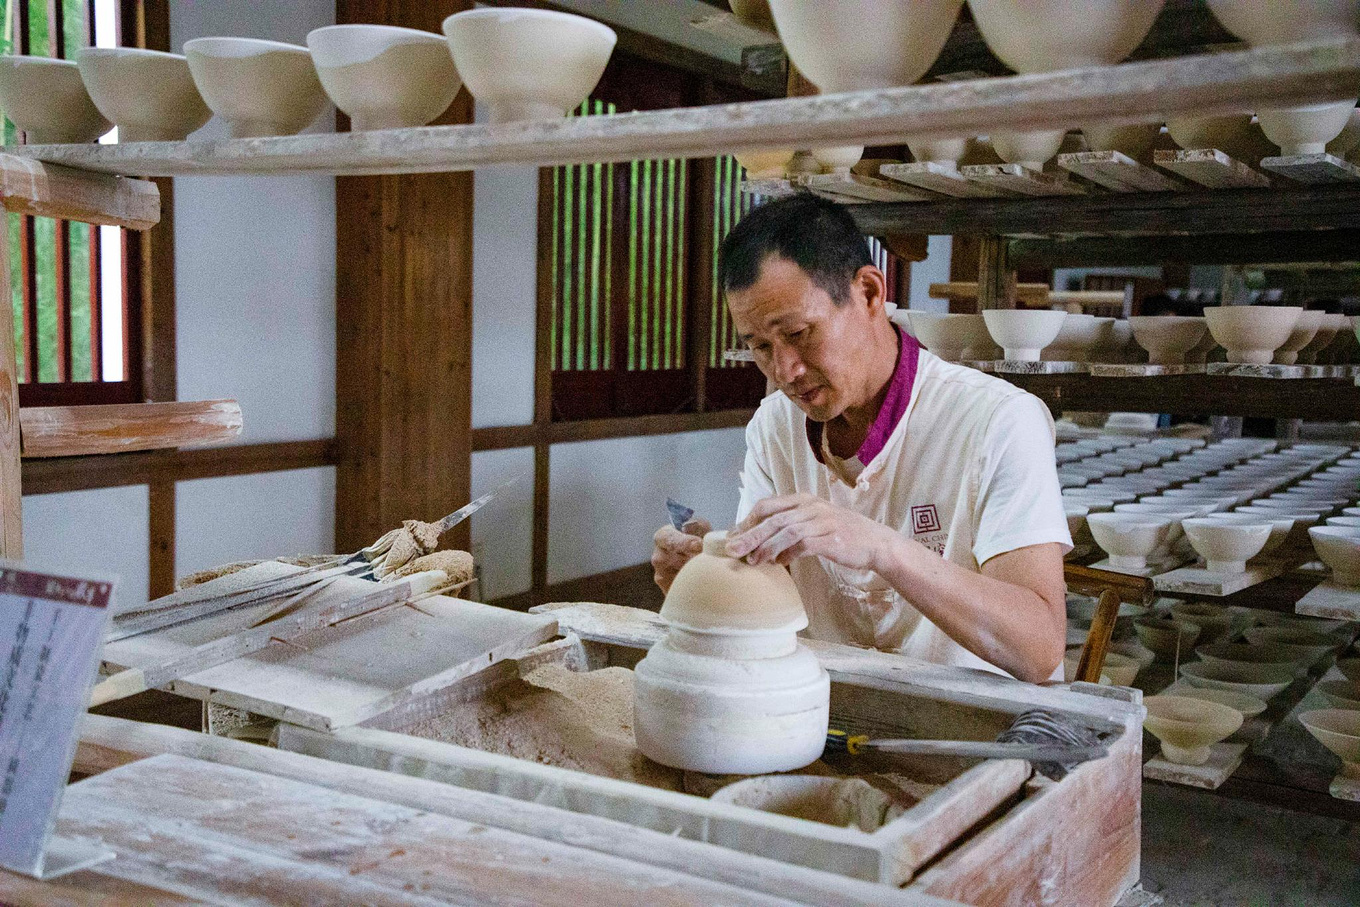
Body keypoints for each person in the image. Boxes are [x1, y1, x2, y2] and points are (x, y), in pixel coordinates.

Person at [651, 194, 1070, 683]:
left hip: (979, 726)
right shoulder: (775, 427)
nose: (785, 370)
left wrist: (881, 548)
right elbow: (770, 602)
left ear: (870, 293)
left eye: (800, 333)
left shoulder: (997, 420)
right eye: (761, 347)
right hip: (827, 717)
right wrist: (712, 578)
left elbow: (1040, 647)